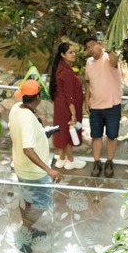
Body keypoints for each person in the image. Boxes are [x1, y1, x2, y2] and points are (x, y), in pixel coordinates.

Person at [9, 79, 63, 250]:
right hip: (34, 172)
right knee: (42, 202)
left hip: (20, 166)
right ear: (38, 97)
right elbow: (28, 149)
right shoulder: (29, 119)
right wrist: (49, 170)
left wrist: (43, 133)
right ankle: (23, 233)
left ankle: (28, 231)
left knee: (27, 199)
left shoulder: (16, 109)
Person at [84, 35, 122, 178]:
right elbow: (87, 82)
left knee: (112, 136)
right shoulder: (89, 62)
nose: (90, 49)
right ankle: (97, 161)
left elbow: (115, 60)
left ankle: (110, 161)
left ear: (100, 45)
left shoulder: (109, 58)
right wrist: (86, 100)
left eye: (92, 45)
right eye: (88, 47)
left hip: (113, 105)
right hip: (95, 106)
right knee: (96, 136)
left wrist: (110, 48)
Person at [48, 42, 86, 170]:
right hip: (67, 108)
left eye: (74, 52)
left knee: (61, 130)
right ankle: (70, 160)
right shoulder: (67, 72)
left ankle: (61, 157)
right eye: (70, 52)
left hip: (60, 106)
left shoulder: (59, 67)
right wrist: (73, 114)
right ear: (62, 54)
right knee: (69, 131)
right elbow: (70, 96)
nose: (74, 54)